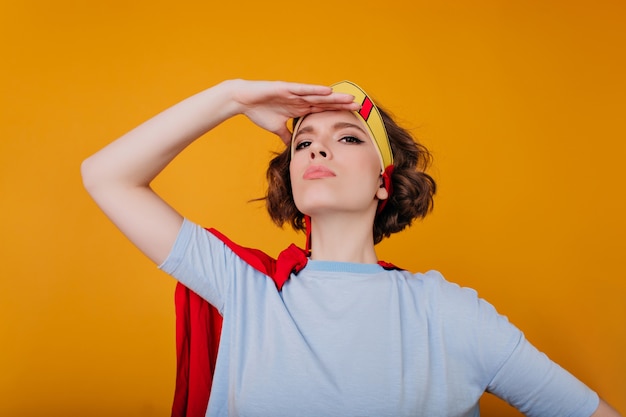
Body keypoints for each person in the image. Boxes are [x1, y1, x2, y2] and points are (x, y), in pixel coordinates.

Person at [81, 79, 621, 417]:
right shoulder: (245, 290)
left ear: (384, 182)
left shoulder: (451, 314)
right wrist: (229, 98)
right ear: (292, 177)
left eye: (348, 137)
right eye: (304, 141)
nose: (318, 146)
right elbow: (106, 176)